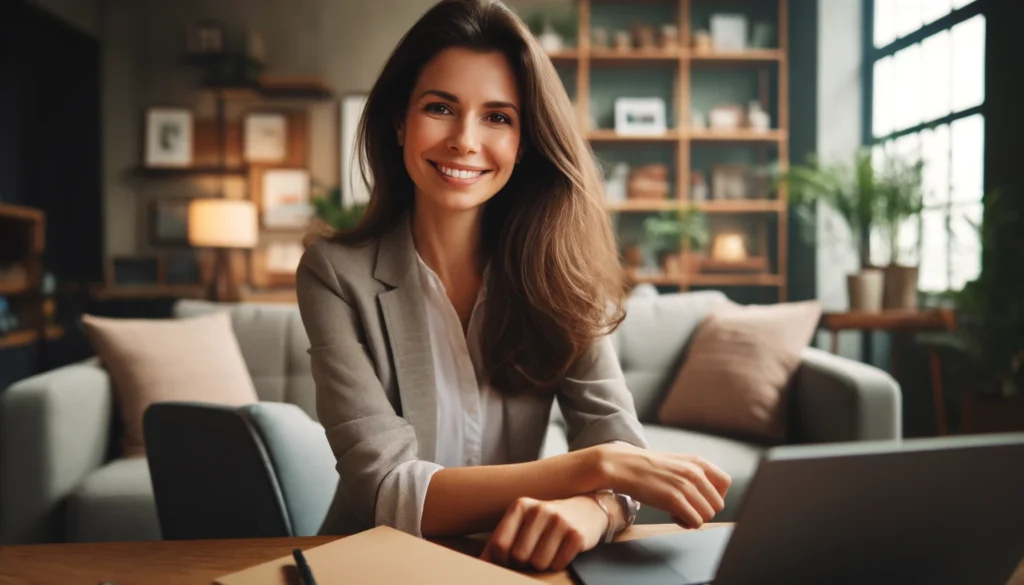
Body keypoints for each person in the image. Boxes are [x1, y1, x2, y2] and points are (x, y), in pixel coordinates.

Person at [296, 0, 731, 572]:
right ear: (401, 120)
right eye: (439, 108)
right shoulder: (333, 272)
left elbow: (621, 452)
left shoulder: (560, 274)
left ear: (524, 142)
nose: (464, 140)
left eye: (497, 117)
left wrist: (592, 511)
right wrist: (591, 470)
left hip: (517, 565)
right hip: (371, 567)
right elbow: (387, 490)